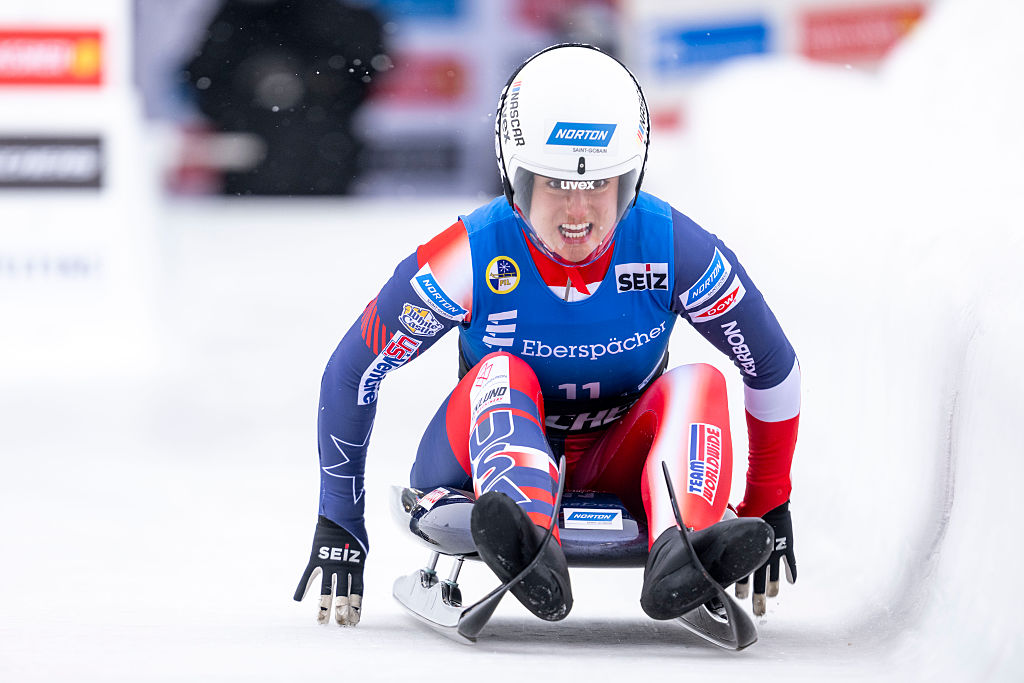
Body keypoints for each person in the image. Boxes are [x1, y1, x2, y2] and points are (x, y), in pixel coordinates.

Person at [294, 44, 800, 627]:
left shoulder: (670, 244)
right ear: (516, 179)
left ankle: (680, 553)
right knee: (504, 375)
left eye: (600, 186)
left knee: (701, 381)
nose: (578, 212)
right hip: (473, 465)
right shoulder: (468, 254)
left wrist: (770, 502)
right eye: (556, 185)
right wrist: (340, 522)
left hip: (616, 459)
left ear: (631, 181)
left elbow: (771, 365)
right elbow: (354, 369)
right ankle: (528, 537)